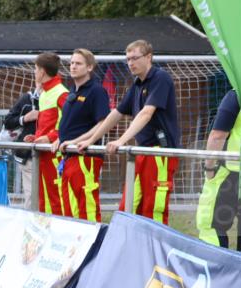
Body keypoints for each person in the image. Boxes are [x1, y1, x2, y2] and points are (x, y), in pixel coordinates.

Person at [73, 40, 181, 225]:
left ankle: (154, 251)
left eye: (135, 58)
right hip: (143, 152)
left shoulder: (160, 78)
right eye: (128, 59)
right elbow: (116, 113)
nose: (131, 63)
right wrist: (91, 140)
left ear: (149, 57)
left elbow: (146, 113)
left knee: (153, 207)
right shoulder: (137, 84)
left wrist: (121, 140)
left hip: (159, 154)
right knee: (128, 206)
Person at [195, 51, 241, 252]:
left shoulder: (238, 94)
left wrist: (209, 168)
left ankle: (218, 272)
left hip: (234, 172)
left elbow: (217, 136)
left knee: (211, 223)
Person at [54, 49, 111, 222]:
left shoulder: (96, 91)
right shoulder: (72, 91)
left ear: (89, 67)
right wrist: (59, 139)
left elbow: (102, 123)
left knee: (86, 206)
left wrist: (76, 141)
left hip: (85, 157)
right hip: (68, 156)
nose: (73, 66)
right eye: (71, 63)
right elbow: (70, 124)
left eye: (78, 63)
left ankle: (93, 244)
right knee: (69, 206)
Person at [23, 52, 68, 215]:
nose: (34, 73)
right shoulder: (46, 93)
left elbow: (67, 125)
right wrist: (36, 137)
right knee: (44, 197)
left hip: (54, 155)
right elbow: (50, 123)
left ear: (42, 71)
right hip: (44, 154)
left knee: (56, 197)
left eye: (35, 69)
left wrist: (49, 138)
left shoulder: (61, 92)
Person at [1, 86, 40, 209]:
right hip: (28, 155)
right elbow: (7, 121)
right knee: (32, 195)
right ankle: (31, 224)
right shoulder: (27, 99)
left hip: (50, 154)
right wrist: (25, 118)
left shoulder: (57, 96)